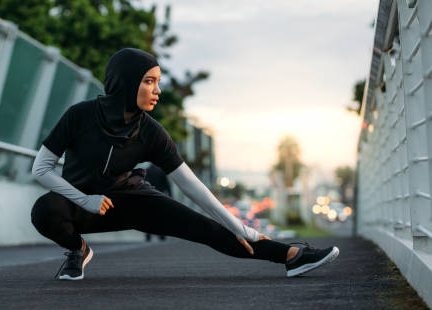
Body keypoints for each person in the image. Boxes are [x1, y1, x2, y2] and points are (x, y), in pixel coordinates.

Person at [30, 48, 339, 280]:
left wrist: (238, 225)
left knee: (207, 229)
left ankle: (291, 256)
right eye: (149, 81)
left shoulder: (151, 132)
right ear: (125, 82)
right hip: (82, 204)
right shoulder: (79, 116)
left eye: (158, 82)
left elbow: (191, 185)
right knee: (45, 211)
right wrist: (85, 199)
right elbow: (40, 168)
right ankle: (77, 249)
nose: (157, 91)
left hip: (133, 199)